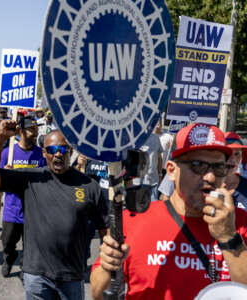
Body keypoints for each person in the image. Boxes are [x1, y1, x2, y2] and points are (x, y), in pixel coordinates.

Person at [90, 123, 247, 300]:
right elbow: (97, 294)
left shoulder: (240, 222)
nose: (210, 177)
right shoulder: (134, 220)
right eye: (197, 165)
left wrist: (228, 237)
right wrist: (107, 266)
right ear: (171, 171)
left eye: (218, 168)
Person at [0, 124, 109, 300]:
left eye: (62, 149)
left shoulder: (89, 186)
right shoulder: (30, 178)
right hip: (36, 276)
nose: (58, 154)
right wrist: (0, 138)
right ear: (44, 153)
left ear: (70, 151)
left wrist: (107, 266)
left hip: (72, 276)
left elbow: (105, 229)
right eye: (52, 149)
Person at [0, 116, 46, 278]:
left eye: (36, 128)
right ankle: (9, 258)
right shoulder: (7, 153)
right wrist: (5, 173)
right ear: (20, 131)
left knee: (30, 246)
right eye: (31, 129)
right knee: (7, 242)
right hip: (12, 210)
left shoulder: (42, 154)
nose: (35, 132)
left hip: (34, 211)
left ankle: (24, 268)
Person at [132, 131, 163, 202]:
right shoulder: (133, 137)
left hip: (153, 183)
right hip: (136, 183)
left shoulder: (156, 137)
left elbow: (159, 158)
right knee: (136, 210)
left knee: (153, 209)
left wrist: (160, 175)